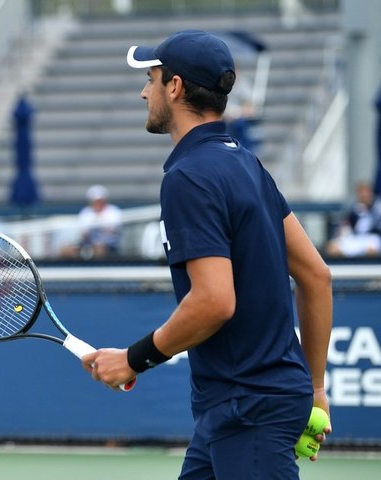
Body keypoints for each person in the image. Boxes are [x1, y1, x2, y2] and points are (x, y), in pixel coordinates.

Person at [82, 30, 333, 479]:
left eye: (151, 79)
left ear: (174, 87)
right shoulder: (247, 164)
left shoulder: (188, 176)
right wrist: (314, 389)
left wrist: (132, 359)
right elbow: (316, 277)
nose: (144, 92)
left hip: (246, 408)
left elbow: (215, 301)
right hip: (246, 404)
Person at [60, 185, 122, 259]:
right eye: (95, 201)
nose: (98, 204)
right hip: (88, 244)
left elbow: (111, 231)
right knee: (66, 250)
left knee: (99, 249)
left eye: (100, 201)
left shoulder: (113, 211)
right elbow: (83, 234)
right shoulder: (86, 212)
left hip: (108, 245)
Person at [325, 181, 381, 257]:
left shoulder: (377, 208)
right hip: (355, 239)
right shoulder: (353, 209)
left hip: (371, 238)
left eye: (366, 192)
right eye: (361, 193)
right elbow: (345, 225)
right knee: (332, 247)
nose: (364, 195)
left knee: (371, 249)